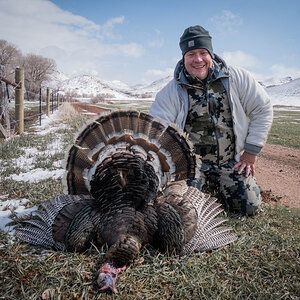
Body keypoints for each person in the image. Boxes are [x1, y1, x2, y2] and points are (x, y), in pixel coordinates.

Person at [149, 25, 273, 216]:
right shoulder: (171, 91)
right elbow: (157, 128)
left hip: (230, 162)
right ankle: (201, 188)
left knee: (250, 208)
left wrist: (251, 151)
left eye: (202, 52)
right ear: (183, 57)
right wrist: (169, 166)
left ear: (211, 54)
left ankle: (220, 187)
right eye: (191, 54)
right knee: (182, 212)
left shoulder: (236, 78)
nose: (197, 59)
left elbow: (262, 108)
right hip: (190, 166)